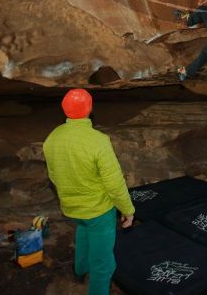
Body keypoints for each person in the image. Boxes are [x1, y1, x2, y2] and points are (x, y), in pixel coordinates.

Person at [43, 88, 135, 295]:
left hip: (71, 207)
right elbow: (114, 183)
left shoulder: (52, 137)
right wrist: (127, 210)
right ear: (89, 108)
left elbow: (53, 175)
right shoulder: (98, 140)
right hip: (99, 210)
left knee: (83, 231)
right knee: (103, 264)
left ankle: (79, 270)